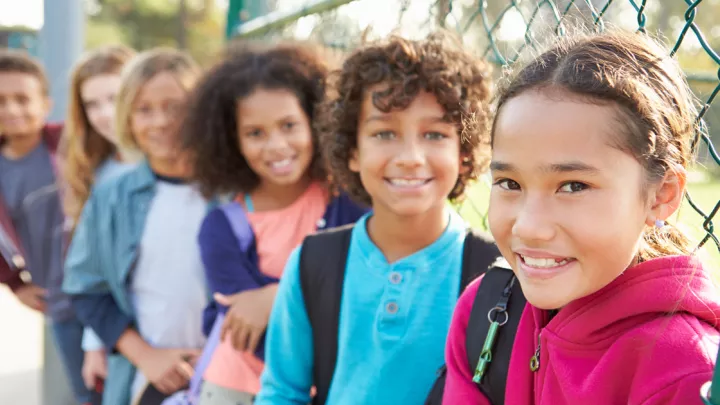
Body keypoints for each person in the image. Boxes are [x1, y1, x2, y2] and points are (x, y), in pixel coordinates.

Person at [442, 30, 720, 405]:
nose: (528, 226)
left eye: (573, 186)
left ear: (661, 195)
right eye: (509, 182)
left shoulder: (685, 373)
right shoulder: (485, 312)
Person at [254, 33, 496, 405]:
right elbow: (282, 392)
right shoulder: (314, 262)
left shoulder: (495, 277)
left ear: (463, 153)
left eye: (434, 134)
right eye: (385, 133)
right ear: (352, 151)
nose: (411, 157)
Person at [181, 41, 367, 404]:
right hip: (236, 387)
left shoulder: (349, 202)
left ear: (317, 122)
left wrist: (272, 295)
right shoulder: (220, 228)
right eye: (255, 133)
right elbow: (250, 330)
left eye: (288, 125)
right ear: (231, 141)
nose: (277, 145)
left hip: (332, 387)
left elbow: (361, 288)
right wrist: (303, 298)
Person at [62, 48, 206, 405]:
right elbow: (85, 287)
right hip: (146, 380)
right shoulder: (111, 197)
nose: (160, 121)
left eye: (175, 106)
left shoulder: (234, 191)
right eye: (144, 110)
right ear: (128, 118)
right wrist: (144, 355)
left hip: (230, 374)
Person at [0, 49, 99, 405]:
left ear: (45, 103)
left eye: (22, 99)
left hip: (104, 293)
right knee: (86, 393)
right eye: (1, 101)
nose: (11, 110)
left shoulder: (72, 144)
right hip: (59, 302)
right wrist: (14, 284)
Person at [60, 44, 137, 394]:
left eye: (115, 97)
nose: (106, 114)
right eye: (92, 105)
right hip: (123, 335)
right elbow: (97, 274)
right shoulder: (102, 175)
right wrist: (95, 342)